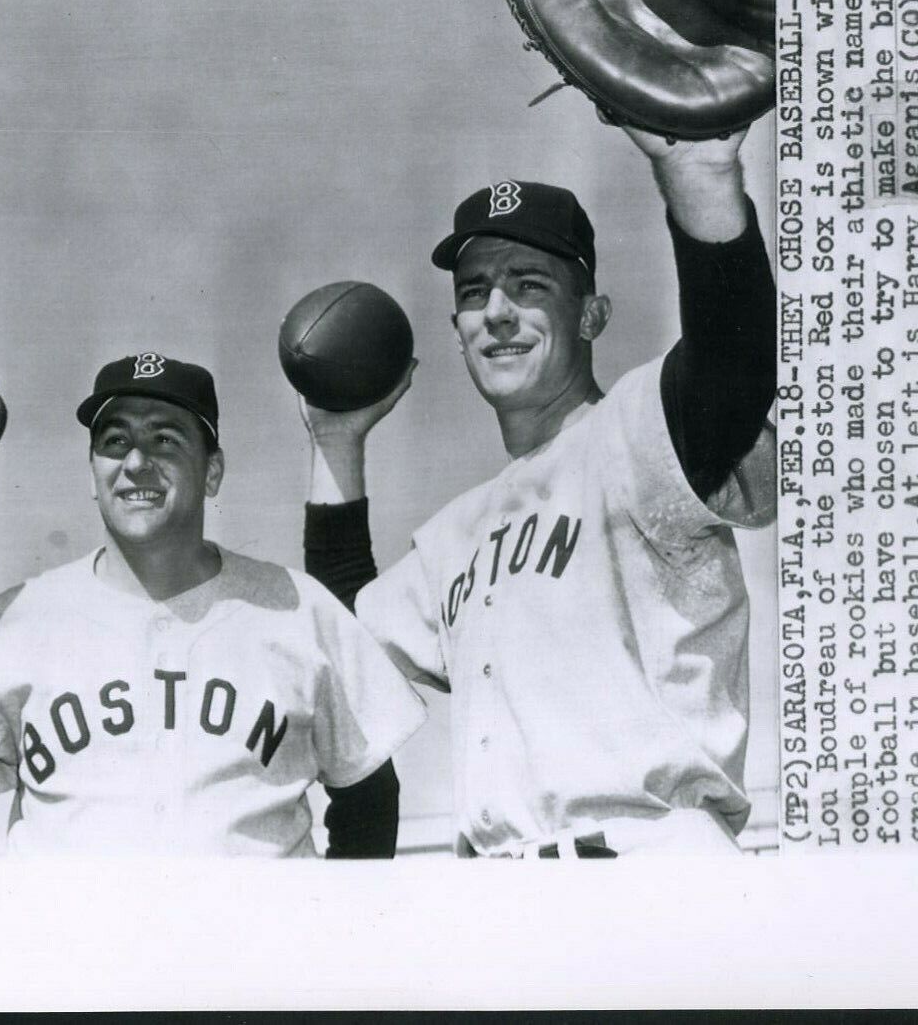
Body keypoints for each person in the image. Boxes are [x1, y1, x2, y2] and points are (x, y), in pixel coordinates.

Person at [299, 122, 777, 858]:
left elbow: (732, 359)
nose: (496, 311)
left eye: (530, 285)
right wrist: (336, 444)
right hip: (502, 899)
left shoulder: (637, 428)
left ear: (591, 314)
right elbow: (344, 646)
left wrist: (700, 179)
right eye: (475, 292)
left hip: (649, 869)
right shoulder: (456, 533)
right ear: (457, 332)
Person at [0, 353, 426, 858]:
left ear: (212, 472)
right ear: (93, 473)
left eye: (165, 439)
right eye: (115, 441)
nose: (136, 463)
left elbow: (368, 800)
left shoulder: (299, 609)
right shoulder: (11, 621)